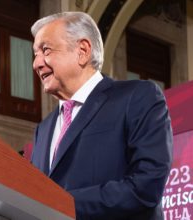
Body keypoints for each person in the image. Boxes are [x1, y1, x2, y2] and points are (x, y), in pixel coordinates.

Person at [30, 12, 173, 219]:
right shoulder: (43, 129)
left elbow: (147, 185)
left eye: (46, 50)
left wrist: (62, 203)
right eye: (35, 54)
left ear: (83, 51)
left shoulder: (137, 97)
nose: (36, 64)